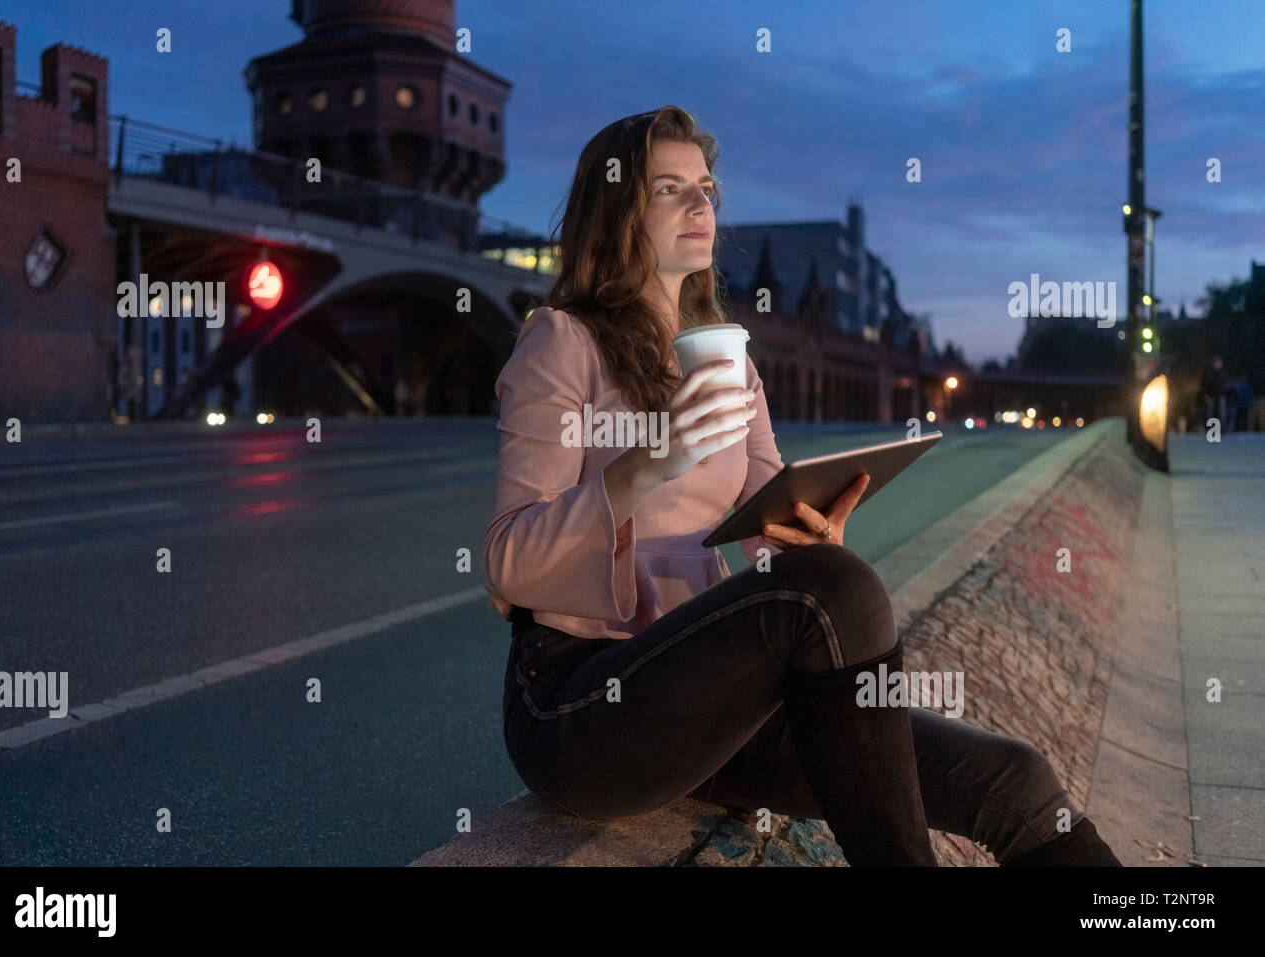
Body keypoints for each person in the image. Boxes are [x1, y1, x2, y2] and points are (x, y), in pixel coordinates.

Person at [481, 106, 1122, 867]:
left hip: (711, 703)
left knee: (1015, 781)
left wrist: (809, 527)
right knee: (831, 589)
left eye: (708, 187)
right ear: (616, 208)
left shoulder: (729, 361)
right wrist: (649, 463)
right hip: (579, 704)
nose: (702, 206)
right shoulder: (564, 340)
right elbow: (508, 563)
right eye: (670, 188)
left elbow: (769, 519)